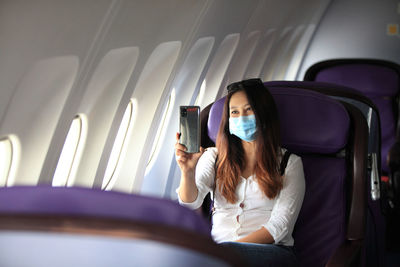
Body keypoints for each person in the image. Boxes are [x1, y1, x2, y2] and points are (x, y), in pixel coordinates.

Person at [175, 78, 305, 267]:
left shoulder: (289, 163)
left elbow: (280, 228)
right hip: (219, 254)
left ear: (264, 113)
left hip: (274, 253)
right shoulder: (214, 157)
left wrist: (223, 253)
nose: (241, 117)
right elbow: (189, 205)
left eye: (249, 109)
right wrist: (187, 171)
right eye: (234, 112)